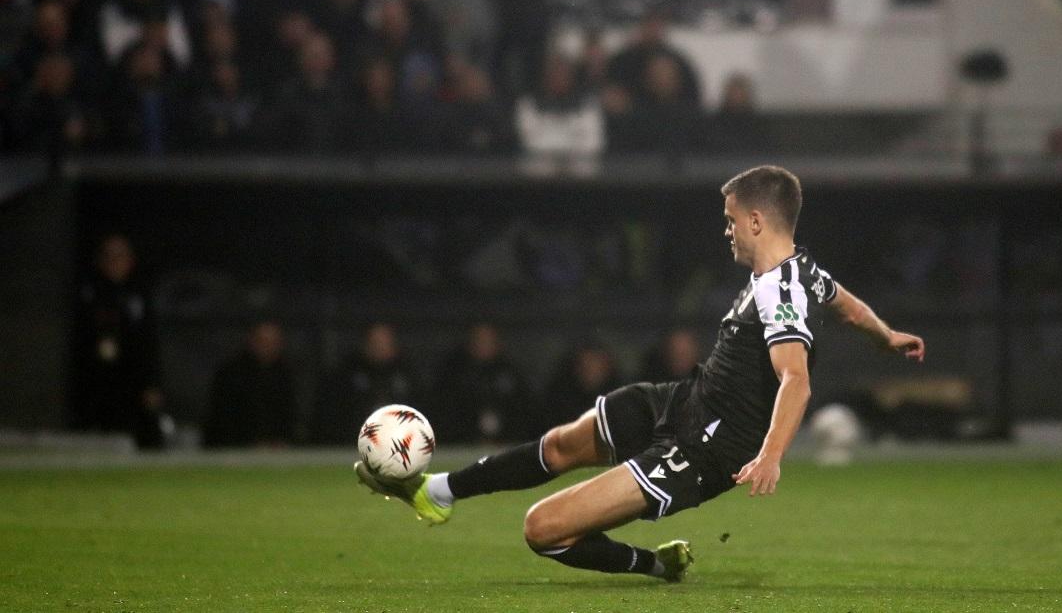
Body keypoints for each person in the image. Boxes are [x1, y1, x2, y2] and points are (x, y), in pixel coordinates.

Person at [354, 165, 925, 582]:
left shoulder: (781, 291)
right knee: (563, 443)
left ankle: (655, 565)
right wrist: (888, 335)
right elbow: (847, 306)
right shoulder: (801, 270)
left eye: (731, 221)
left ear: (756, 220)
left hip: (704, 452)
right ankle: (437, 492)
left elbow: (795, 379)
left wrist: (772, 454)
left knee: (542, 529)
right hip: (686, 401)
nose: (726, 231)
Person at [69, 234, 165, 448]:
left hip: (134, 386)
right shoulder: (88, 294)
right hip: (97, 386)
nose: (114, 262)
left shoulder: (139, 295)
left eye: (120, 256)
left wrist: (152, 384)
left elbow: (149, 345)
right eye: (108, 256)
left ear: (130, 260)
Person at [310, 323, 424, 445]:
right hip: (352, 443)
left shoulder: (408, 375)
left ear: (393, 345)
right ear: (365, 344)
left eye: (384, 343)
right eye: (375, 343)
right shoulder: (347, 375)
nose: (379, 347)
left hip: (402, 443)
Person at [204, 321, 297, 448]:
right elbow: (223, 417)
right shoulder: (231, 373)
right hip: (234, 447)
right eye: (263, 342)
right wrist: (251, 442)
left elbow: (289, 414)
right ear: (252, 341)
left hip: (276, 448)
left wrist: (281, 441)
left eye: (273, 343)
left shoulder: (285, 374)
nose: (268, 347)